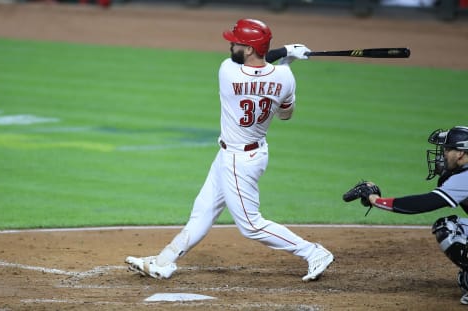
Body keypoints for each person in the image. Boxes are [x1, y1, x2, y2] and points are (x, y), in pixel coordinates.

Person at [125, 18, 334, 282]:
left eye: (236, 42)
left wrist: (285, 51)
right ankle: (164, 262)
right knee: (203, 210)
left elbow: (252, 61)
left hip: (238, 160)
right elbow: (285, 115)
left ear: (248, 49)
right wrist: (287, 61)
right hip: (248, 153)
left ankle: (313, 252)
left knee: (250, 225)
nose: (231, 45)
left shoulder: (227, 71)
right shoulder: (286, 79)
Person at [343, 125, 468, 304]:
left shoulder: (465, 177)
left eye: (446, 149)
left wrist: (375, 200)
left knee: (449, 230)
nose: (442, 155)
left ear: (460, 154)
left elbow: (424, 203)